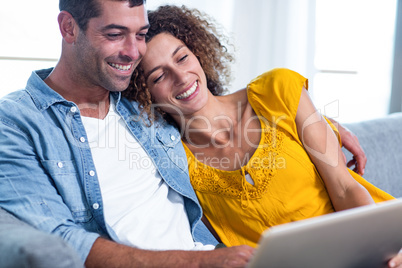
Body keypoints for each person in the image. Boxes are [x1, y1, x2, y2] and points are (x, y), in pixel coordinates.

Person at [128, 5, 402, 267]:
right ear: (145, 93)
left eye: (182, 57)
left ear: (198, 51)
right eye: (159, 76)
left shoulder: (278, 90)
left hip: (373, 247)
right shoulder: (176, 164)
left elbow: (345, 188)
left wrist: (382, 251)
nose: (181, 77)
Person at [0, 1, 255, 267]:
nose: (134, 52)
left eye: (141, 35)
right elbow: (60, 237)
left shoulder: (143, 101)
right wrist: (200, 262)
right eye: (115, 35)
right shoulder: (16, 123)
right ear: (69, 28)